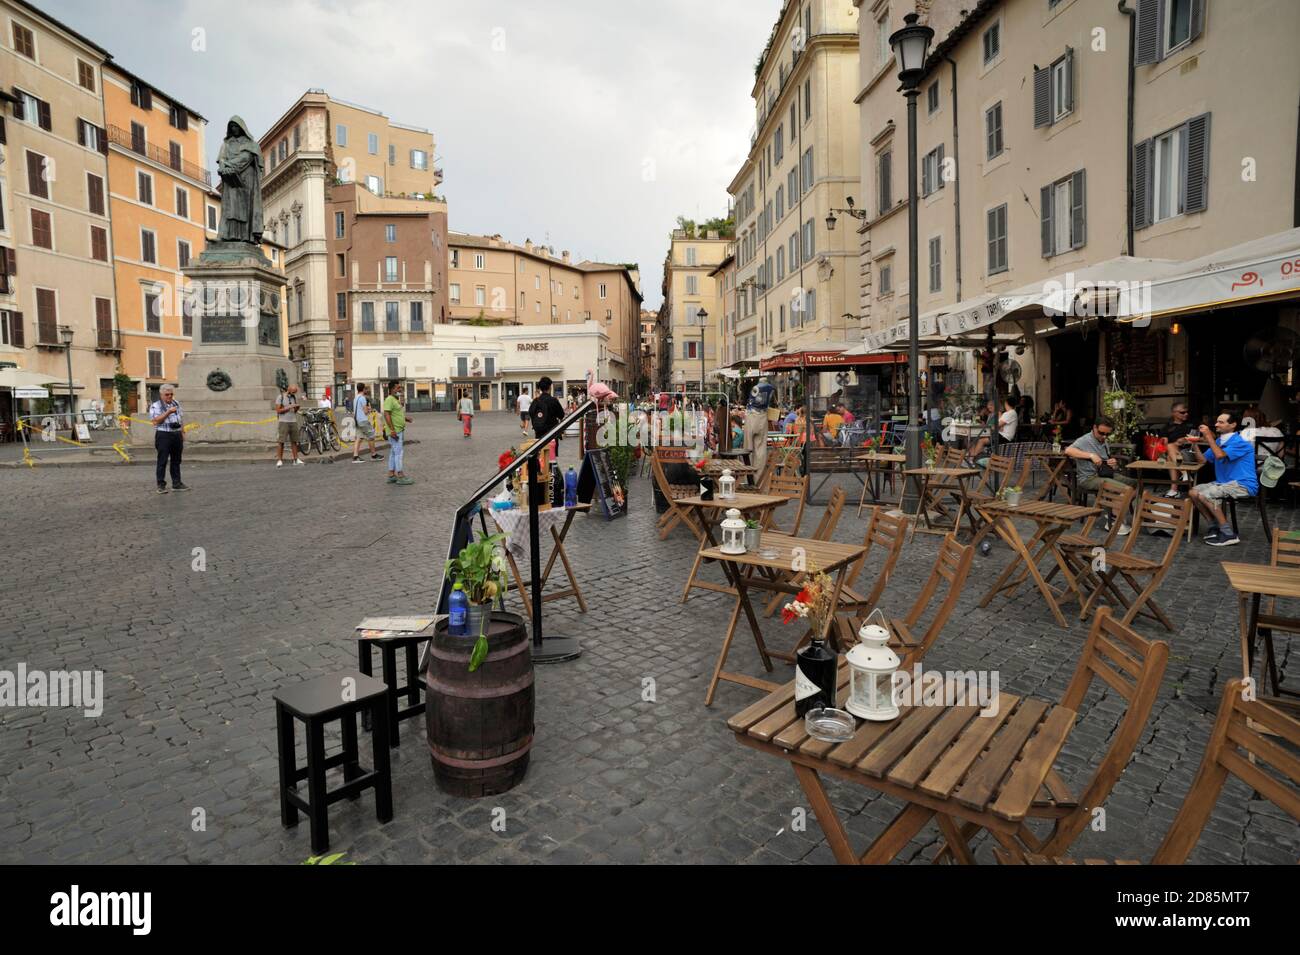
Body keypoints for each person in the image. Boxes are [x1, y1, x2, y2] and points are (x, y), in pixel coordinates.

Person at [1187, 410, 1257, 547]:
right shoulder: (1219, 441)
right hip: (1223, 483)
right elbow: (1203, 461)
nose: (1216, 424)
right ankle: (1213, 526)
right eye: (1217, 421)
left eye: (1221, 422)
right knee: (1193, 492)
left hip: (1242, 484)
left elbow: (1219, 455)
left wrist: (1208, 437)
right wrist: (1194, 443)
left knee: (1206, 494)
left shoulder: (1240, 441)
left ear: (1233, 425)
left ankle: (1228, 533)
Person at [1065, 415, 1136, 534]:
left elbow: (1106, 461)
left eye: (1107, 434)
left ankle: (1115, 510)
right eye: (1101, 433)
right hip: (1089, 478)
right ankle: (1114, 521)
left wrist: (1112, 462)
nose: (1104, 437)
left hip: (1103, 474)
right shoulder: (1085, 440)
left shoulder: (1104, 440)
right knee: (1125, 489)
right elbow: (1068, 450)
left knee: (1134, 483)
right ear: (1094, 427)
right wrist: (1091, 455)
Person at [149, 384, 188, 493]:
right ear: (161, 395)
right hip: (163, 435)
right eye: (167, 394)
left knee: (176, 460)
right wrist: (168, 412)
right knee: (162, 460)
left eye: (171, 394)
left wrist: (182, 432)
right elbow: (156, 420)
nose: (169, 396)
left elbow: (180, 419)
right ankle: (161, 485)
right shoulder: (155, 406)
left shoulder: (176, 403)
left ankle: (176, 483)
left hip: (176, 435)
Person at [1154, 402, 1194, 497]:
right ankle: (1184, 474)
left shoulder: (1192, 423)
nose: (1186, 414)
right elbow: (1163, 444)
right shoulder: (1167, 427)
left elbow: (1209, 436)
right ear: (1174, 413)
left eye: (1187, 412)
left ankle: (1174, 488)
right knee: (1170, 451)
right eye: (1182, 412)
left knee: (1170, 455)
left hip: (1190, 452)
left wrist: (1186, 440)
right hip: (1174, 455)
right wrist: (1166, 441)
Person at [743, 375, 777, 476]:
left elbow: (751, 401)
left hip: (752, 416)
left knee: (748, 448)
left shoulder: (756, 388)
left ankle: (748, 476)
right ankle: (758, 477)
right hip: (763, 417)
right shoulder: (771, 388)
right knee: (761, 449)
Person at [968, 396, 1019, 462]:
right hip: (1001, 435)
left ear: (1006, 403)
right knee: (975, 439)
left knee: (981, 441)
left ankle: (972, 459)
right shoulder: (1010, 413)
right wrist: (996, 427)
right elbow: (999, 426)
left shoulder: (1009, 413)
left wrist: (994, 426)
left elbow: (997, 426)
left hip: (1003, 437)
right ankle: (975, 457)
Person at [383, 380, 412, 485]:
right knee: (398, 453)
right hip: (395, 431)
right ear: (392, 389)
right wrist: (392, 430)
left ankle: (391, 474)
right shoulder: (389, 399)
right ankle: (400, 475)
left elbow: (396, 414)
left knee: (393, 452)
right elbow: (387, 414)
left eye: (400, 388)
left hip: (398, 429)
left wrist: (405, 419)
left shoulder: (395, 400)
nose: (400, 389)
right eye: (398, 388)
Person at [275, 384, 305, 468]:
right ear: (289, 390)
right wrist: (289, 407)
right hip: (283, 421)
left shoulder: (293, 397)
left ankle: (296, 459)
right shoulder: (280, 397)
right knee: (281, 441)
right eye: (293, 392)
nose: (294, 394)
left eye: (295, 392)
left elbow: (294, 411)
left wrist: (296, 407)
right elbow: (278, 410)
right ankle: (280, 460)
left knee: (294, 441)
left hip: (293, 421)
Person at [351, 383, 381, 463]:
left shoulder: (356, 398)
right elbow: (365, 411)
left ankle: (355, 456)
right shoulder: (363, 398)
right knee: (371, 436)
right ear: (363, 389)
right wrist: (370, 410)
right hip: (363, 420)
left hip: (357, 420)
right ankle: (374, 455)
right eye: (365, 389)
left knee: (359, 438)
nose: (366, 390)